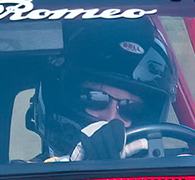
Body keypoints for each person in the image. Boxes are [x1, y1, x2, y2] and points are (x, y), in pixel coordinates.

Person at [32, 21, 177, 161]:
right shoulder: (28, 178)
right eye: (96, 99)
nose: (111, 118)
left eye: (131, 107)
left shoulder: (176, 174)